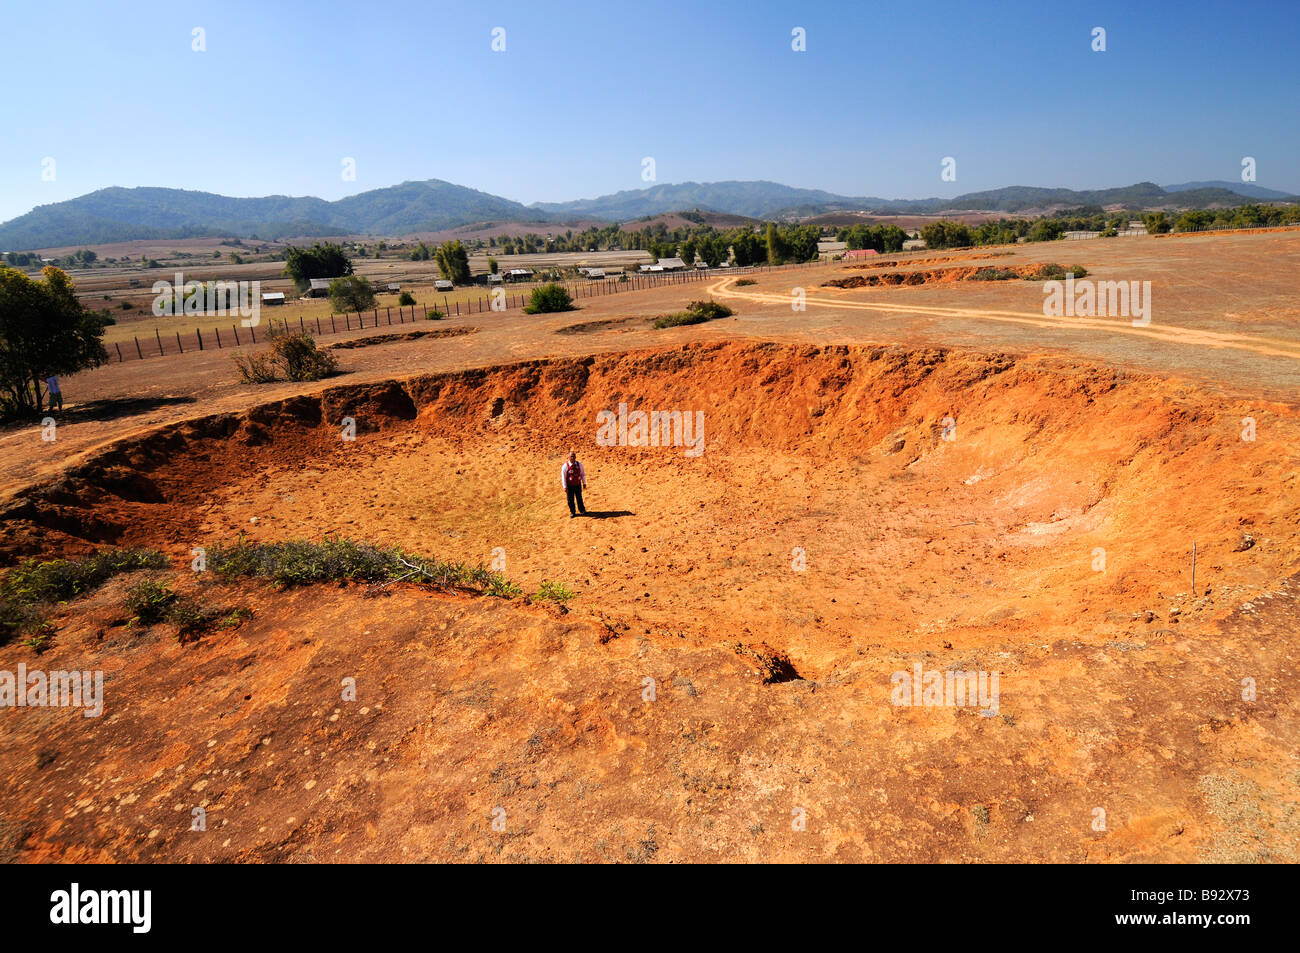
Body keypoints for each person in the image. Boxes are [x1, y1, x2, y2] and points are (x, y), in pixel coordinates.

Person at [561, 451, 587, 518]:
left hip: (578, 484)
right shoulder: (565, 466)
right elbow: (563, 477)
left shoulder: (579, 464)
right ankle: (573, 512)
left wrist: (584, 483)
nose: (573, 458)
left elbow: (582, 474)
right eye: (571, 456)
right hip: (570, 486)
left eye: (574, 456)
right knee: (570, 500)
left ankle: (582, 510)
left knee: (579, 498)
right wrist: (565, 486)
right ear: (568, 457)